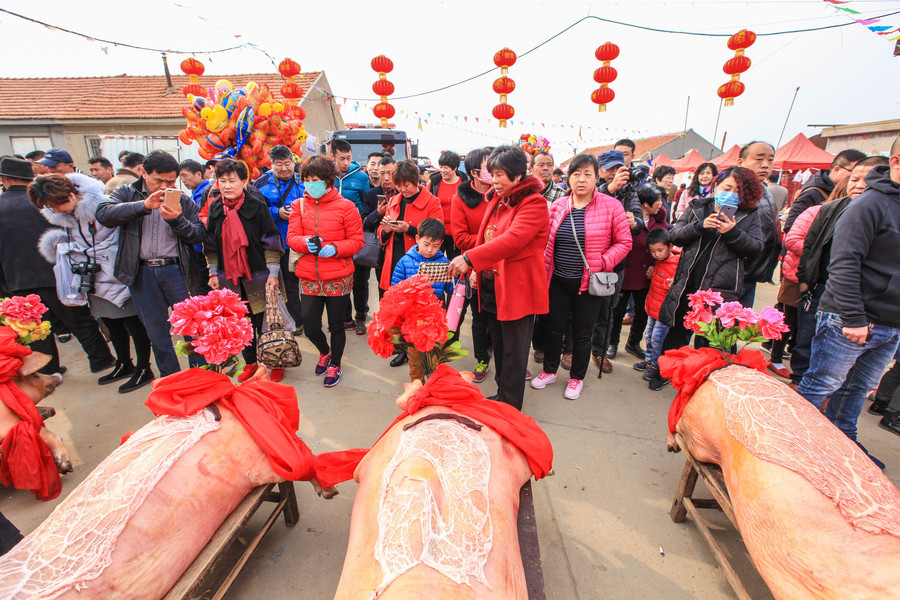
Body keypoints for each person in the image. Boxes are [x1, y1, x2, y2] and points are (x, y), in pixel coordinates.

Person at [796, 138, 900, 467]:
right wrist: (854, 317)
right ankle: (791, 447)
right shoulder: (870, 204)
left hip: (890, 323)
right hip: (851, 318)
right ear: (896, 162)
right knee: (821, 383)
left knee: (857, 389)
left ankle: (843, 442)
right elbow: (843, 263)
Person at [31, 173, 154, 393]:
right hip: (93, 276)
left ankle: (144, 368)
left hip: (119, 274)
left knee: (133, 323)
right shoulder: (63, 217)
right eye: (50, 207)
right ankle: (124, 363)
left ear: (71, 194)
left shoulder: (103, 205)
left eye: (58, 204)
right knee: (110, 321)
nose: (55, 210)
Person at [448, 145, 549, 411]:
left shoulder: (533, 202)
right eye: (492, 173)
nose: (494, 180)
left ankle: (511, 405)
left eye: (500, 174)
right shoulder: (498, 198)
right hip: (493, 283)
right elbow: (485, 236)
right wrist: (476, 270)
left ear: (518, 176)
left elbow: (512, 240)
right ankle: (502, 395)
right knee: (500, 347)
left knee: (515, 351)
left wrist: (469, 258)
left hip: (517, 287)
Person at [0, 157, 114, 376]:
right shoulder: (46, 203)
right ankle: (100, 360)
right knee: (80, 320)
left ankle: (48, 371)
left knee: (35, 329)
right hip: (57, 274)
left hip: (17, 279)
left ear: (4, 179)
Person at [96, 150, 207, 377]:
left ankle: (200, 378)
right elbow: (104, 215)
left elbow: (198, 235)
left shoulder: (183, 201)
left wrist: (177, 220)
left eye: (170, 181)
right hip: (142, 273)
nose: (164, 186)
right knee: (157, 333)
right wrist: (143, 206)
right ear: (144, 173)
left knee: (191, 330)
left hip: (178, 272)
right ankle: (171, 381)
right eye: (159, 180)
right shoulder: (127, 193)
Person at [530, 153, 631, 400]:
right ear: (569, 178)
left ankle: (576, 377)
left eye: (588, 174)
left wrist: (603, 263)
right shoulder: (557, 206)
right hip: (557, 280)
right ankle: (549, 370)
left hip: (589, 284)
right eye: (576, 174)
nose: (582, 179)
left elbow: (624, 242)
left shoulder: (611, 206)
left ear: (597, 177)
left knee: (582, 333)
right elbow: (545, 242)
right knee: (553, 329)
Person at [791, 160, 885, 387]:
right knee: (806, 338)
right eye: (854, 179)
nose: (859, 185)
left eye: (867, 180)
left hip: (858, 296)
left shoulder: (883, 213)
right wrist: (805, 284)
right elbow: (810, 248)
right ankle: (798, 383)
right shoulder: (829, 209)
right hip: (820, 287)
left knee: (838, 363)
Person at [659, 166, 764, 352]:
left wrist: (732, 233)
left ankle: (705, 378)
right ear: (716, 186)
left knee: (712, 341)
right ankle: (662, 372)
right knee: (676, 334)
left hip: (720, 289)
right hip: (688, 283)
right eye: (727, 188)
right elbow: (675, 235)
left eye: (738, 191)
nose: (731, 194)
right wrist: (700, 226)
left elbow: (756, 247)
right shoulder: (698, 207)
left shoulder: (749, 215)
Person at [204, 159, 286, 382]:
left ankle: (276, 360)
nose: (227, 186)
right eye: (222, 181)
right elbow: (210, 243)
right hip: (229, 277)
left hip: (259, 274)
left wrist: (272, 273)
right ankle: (250, 362)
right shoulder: (215, 208)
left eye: (232, 180)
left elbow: (271, 240)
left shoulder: (256, 205)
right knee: (242, 323)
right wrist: (213, 273)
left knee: (267, 322)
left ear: (244, 181)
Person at [286, 156, 364, 388]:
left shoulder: (347, 207)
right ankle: (325, 351)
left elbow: (357, 241)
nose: (311, 184)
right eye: (307, 180)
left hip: (338, 276)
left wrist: (336, 248)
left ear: (329, 180)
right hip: (309, 275)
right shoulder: (298, 206)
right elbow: (292, 237)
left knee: (336, 325)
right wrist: (304, 242)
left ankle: (335, 363)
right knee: (310, 326)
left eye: (316, 179)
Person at [378, 159, 444, 368]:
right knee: (398, 310)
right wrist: (386, 229)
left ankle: (420, 349)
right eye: (399, 185)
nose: (403, 189)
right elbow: (381, 233)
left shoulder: (431, 202)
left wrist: (410, 229)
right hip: (396, 259)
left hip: (419, 263)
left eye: (406, 184)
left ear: (416, 181)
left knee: (417, 310)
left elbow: (438, 233)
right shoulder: (395, 200)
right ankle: (403, 350)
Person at [593, 149, 643, 372]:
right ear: (600, 171)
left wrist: (634, 222)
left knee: (608, 310)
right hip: (588, 259)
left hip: (616, 263)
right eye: (610, 169)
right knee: (578, 309)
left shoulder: (631, 192)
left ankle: (600, 351)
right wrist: (609, 190)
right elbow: (585, 204)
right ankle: (570, 348)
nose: (614, 173)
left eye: (618, 168)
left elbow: (641, 223)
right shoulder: (593, 187)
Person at [608, 183, 668, 362]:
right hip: (627, 271)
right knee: (618, 310)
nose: (661, 203)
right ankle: (612, 343)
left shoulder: (661, 220)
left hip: (648, 274)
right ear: (645, 204)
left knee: (642, 312)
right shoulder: (630, 218)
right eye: (657, 200)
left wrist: (655, 264)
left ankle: (633, 343)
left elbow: (665, 243)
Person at [390, 218, 452, 383]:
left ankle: (433, 386)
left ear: (442, 244)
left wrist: (457, 278)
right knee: (415, 358)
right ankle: (417, 386)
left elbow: (451, 290)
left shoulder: (445, 263)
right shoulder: (405, 262)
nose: (430, 250)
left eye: (436, 245)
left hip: (435, 321)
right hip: (412, 321)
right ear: (417, 239)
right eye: (426, 244)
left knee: (435, 358)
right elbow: (394, 290)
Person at [451, 147, 494, 384]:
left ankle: (506, 358)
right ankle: (482, 359)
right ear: (474, 172)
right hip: (472, 265)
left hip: (501, 265)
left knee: (498, 316)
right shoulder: (461, 199)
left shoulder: (502, 195)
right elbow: (460, 237)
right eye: (487, 167)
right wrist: (491, 240)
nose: (492, 172)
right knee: (478, 318)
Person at [253, 145, 305, 332]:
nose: (284, 168)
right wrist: (276, 212)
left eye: (287, 163)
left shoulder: (303, 180)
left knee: (304, 282)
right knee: (288, 284)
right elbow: (255, 211)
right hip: (278, 243)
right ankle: (297, 321)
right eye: (279, 164)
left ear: (293, 162)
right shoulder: (261, 183)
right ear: (271, 164)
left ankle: (307, 316)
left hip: (302, 241)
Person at [331, 139, 371, 330]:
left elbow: (367, 204)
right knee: (340, 277)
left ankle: (361, 317)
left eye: (348, 158)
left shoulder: (361, 178)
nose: (345, 163)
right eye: (341, 158)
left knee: (360, 280)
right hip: (334, 236)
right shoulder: (327, 176)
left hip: (356, 236)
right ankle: (346, 318)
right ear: (333, 157)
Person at [736, 141, 781, 306]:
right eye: (759, 159)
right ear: (741, 162)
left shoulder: (763, 189)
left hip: (752, 272)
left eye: (770, 160)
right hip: (735, 275)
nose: (765, 165)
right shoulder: (733, 189)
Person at [783, 148, 866, 234]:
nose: (857, 176)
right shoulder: (813, 192)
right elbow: (791, 226)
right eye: (853, 171)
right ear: (836, 170)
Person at [640, 228, 680, 390]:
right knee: (649, 335)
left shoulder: (676, 264)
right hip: (653, 306)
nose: (656, 254)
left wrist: (672, 285)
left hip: (664, 311)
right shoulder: (658, 262)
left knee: (657, 338)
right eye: (653, 251)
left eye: (660, 250)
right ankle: (650, 360)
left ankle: (657, 365)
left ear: (670, 246)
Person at [361, 155, 398, 314]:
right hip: (379, 248)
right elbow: (365, 223)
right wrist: (378, 213)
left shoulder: (403, 191)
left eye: (389, 173)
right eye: (382, 173)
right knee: (382, 285)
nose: (386, 177)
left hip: (400, 245)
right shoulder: (371, 194)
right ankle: (385, 319)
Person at [428, 150, 467, 259]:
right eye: (441, 167)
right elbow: (426, 200)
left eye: (446, 167)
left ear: (455, 168)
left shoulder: (464, 184)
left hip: (457, 232)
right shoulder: (434, 183)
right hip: (437, 232)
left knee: (456, 263)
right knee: (433, 262)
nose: (442, 170)